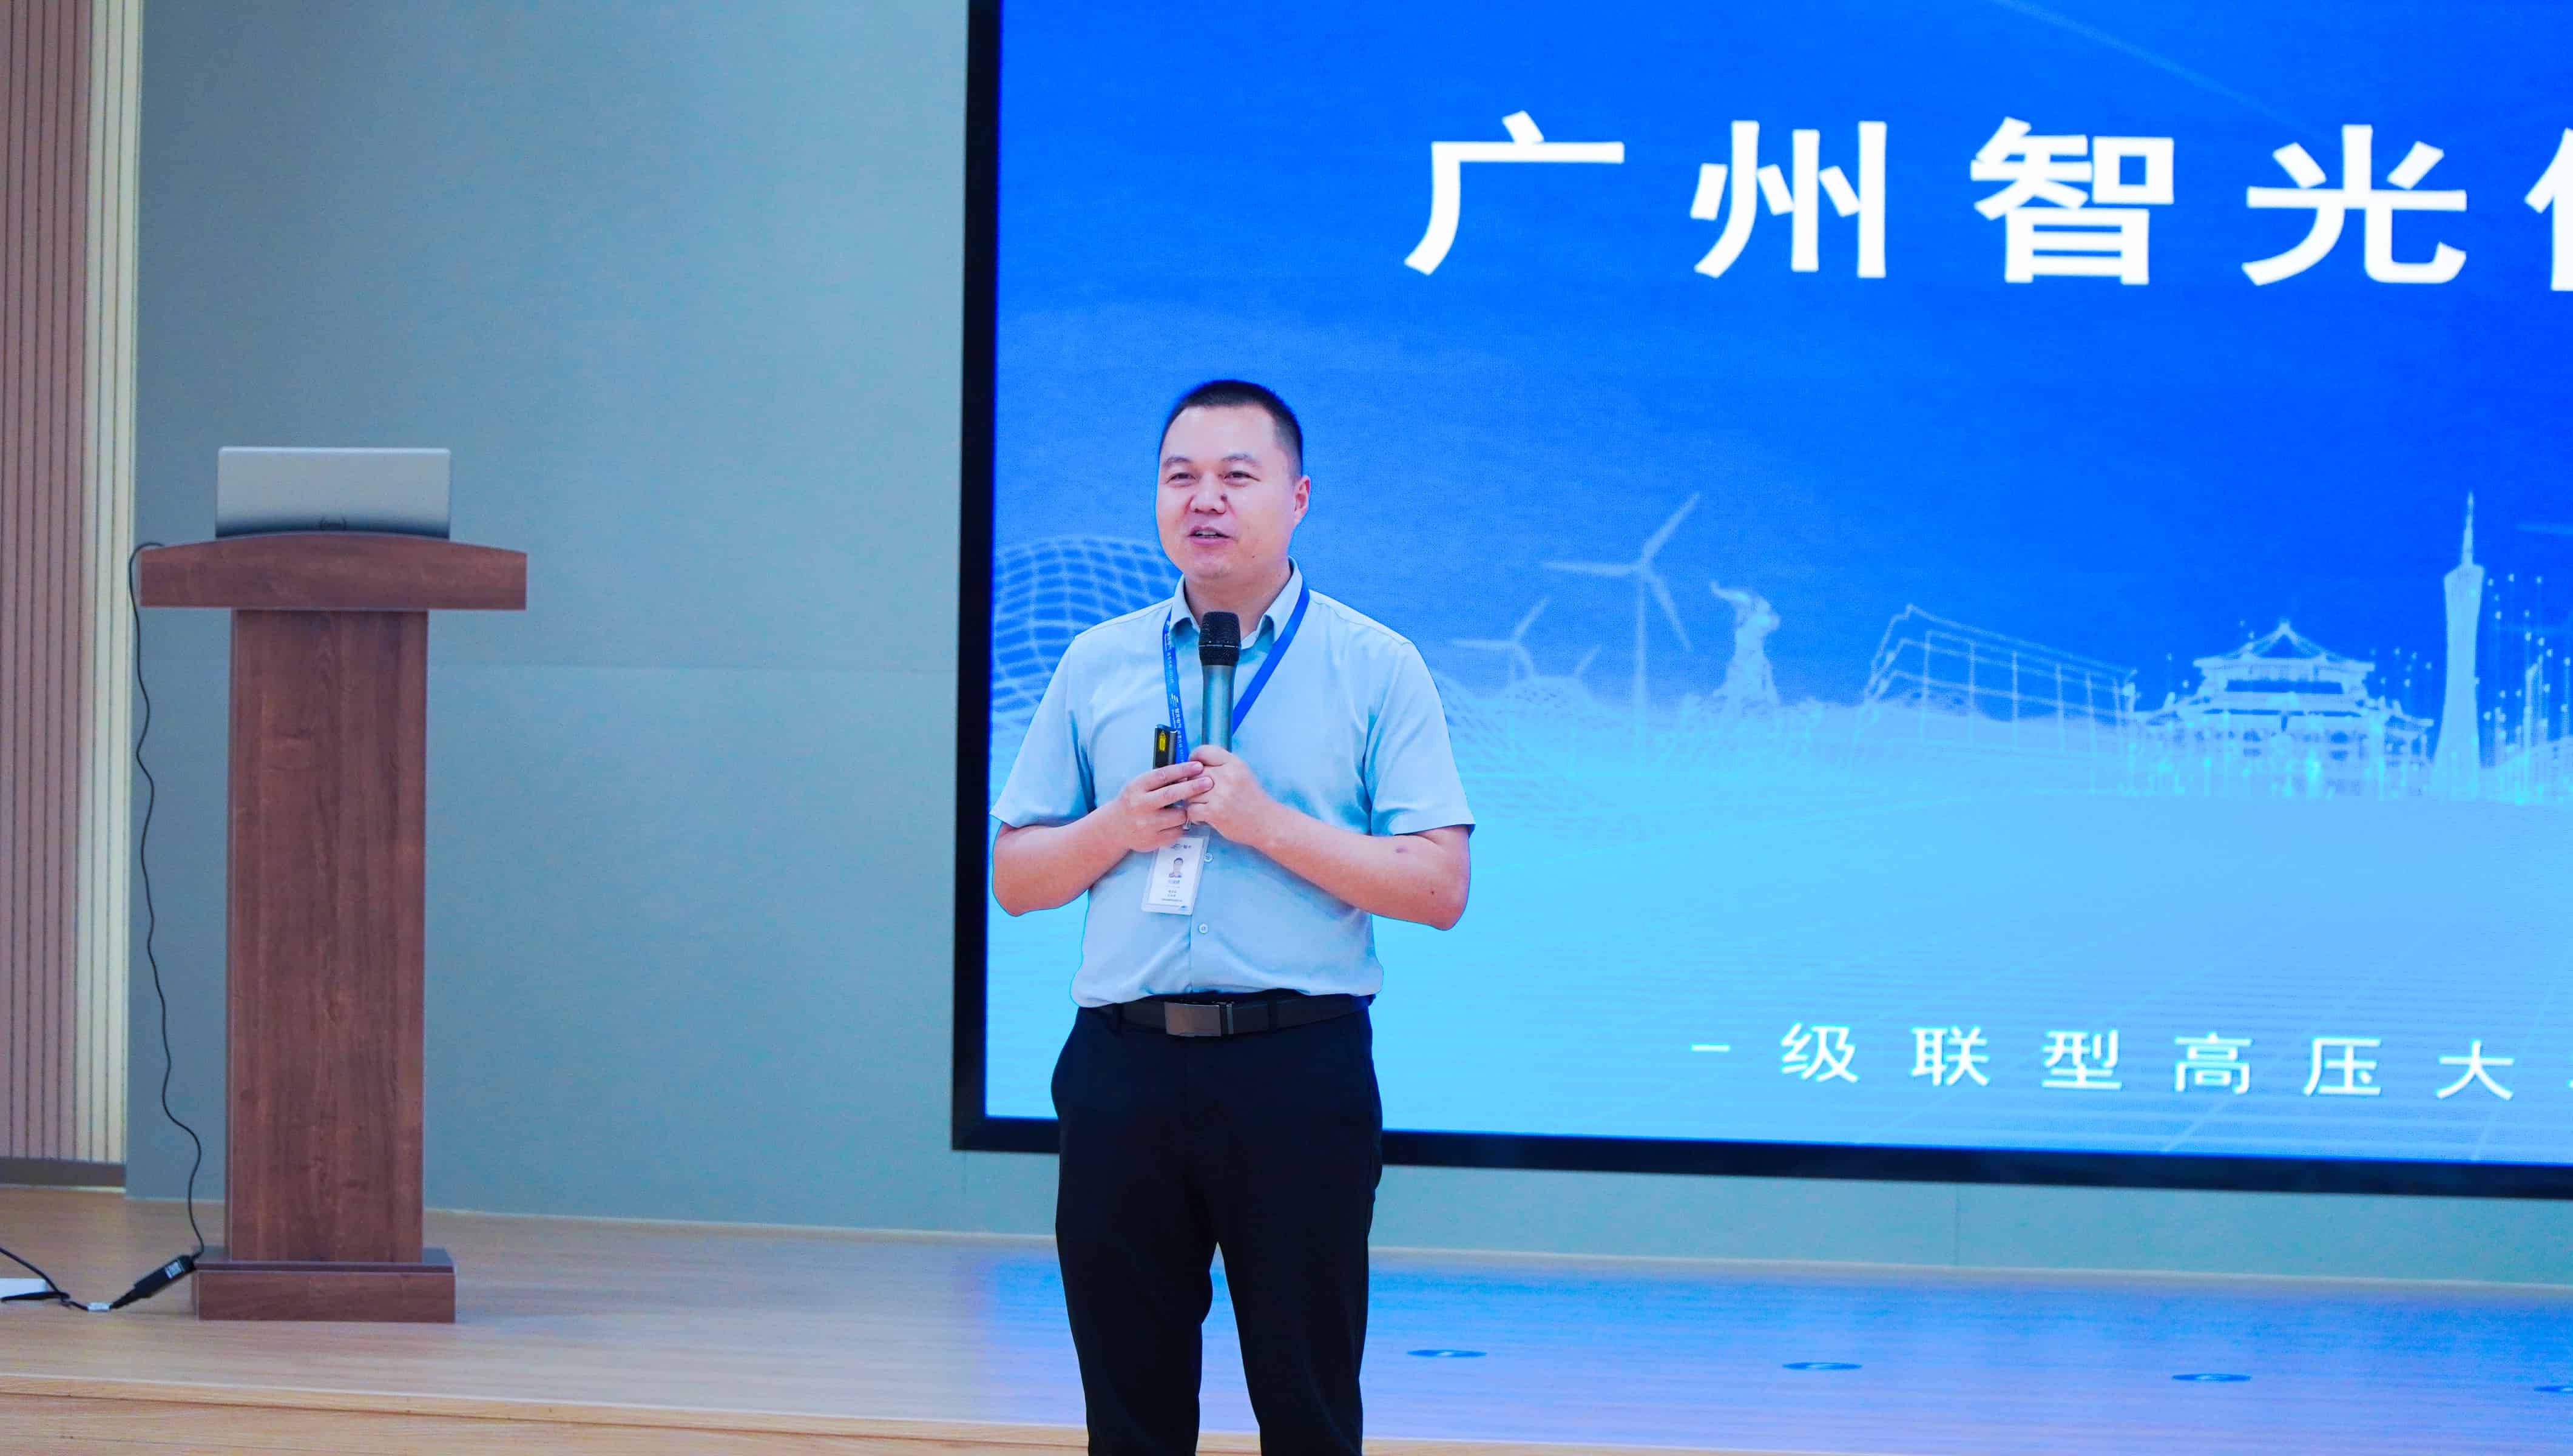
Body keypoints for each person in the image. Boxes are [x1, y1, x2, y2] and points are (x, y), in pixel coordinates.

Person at [990, 379, 1474, 1455]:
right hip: (1122, 1068)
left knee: (1307, 1407)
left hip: (1294, 1070)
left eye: (1235, 477)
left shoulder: (1375, 664)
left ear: (1297, 498)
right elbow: (1016, 878)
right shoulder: (1097, 662)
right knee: (1130, 1414)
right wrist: (1115, 826)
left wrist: (1266, 824)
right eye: (1180, 477)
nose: (1203, 499)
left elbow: (1439, 887)